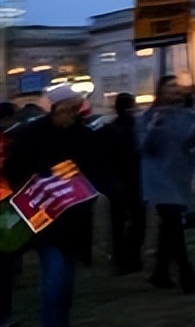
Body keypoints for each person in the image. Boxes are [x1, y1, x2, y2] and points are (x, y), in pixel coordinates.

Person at [0, 84, 103, 327]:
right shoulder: (30, 135)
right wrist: (42, 181)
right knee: (55, 283)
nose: (72, 113)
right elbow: (13, 169)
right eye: (68, 109)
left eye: (75, 109)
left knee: (65, 286)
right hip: (44, 218)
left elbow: (96, 171)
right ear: (56, 108)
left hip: (74, 219)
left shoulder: (84, 136)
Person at [139, 76, 195, 292]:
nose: (175, 90)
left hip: (179, 175)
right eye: (170, 87)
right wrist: (153, 128)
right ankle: (187, 276)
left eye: (177, 87)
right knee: (174, 223)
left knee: (169, 227)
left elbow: (192, 143)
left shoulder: (187, 115)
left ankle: (160, 273)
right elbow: (145, 147)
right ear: (160, 91)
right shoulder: (149, 116)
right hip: (158, 177)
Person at [101, 92, 146, 274]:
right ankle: (131, 256)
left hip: (118, 179)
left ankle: (121, 258)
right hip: (134, 178)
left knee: (118, 222)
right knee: (137, 220)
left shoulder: (111, 129)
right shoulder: (133, 127)